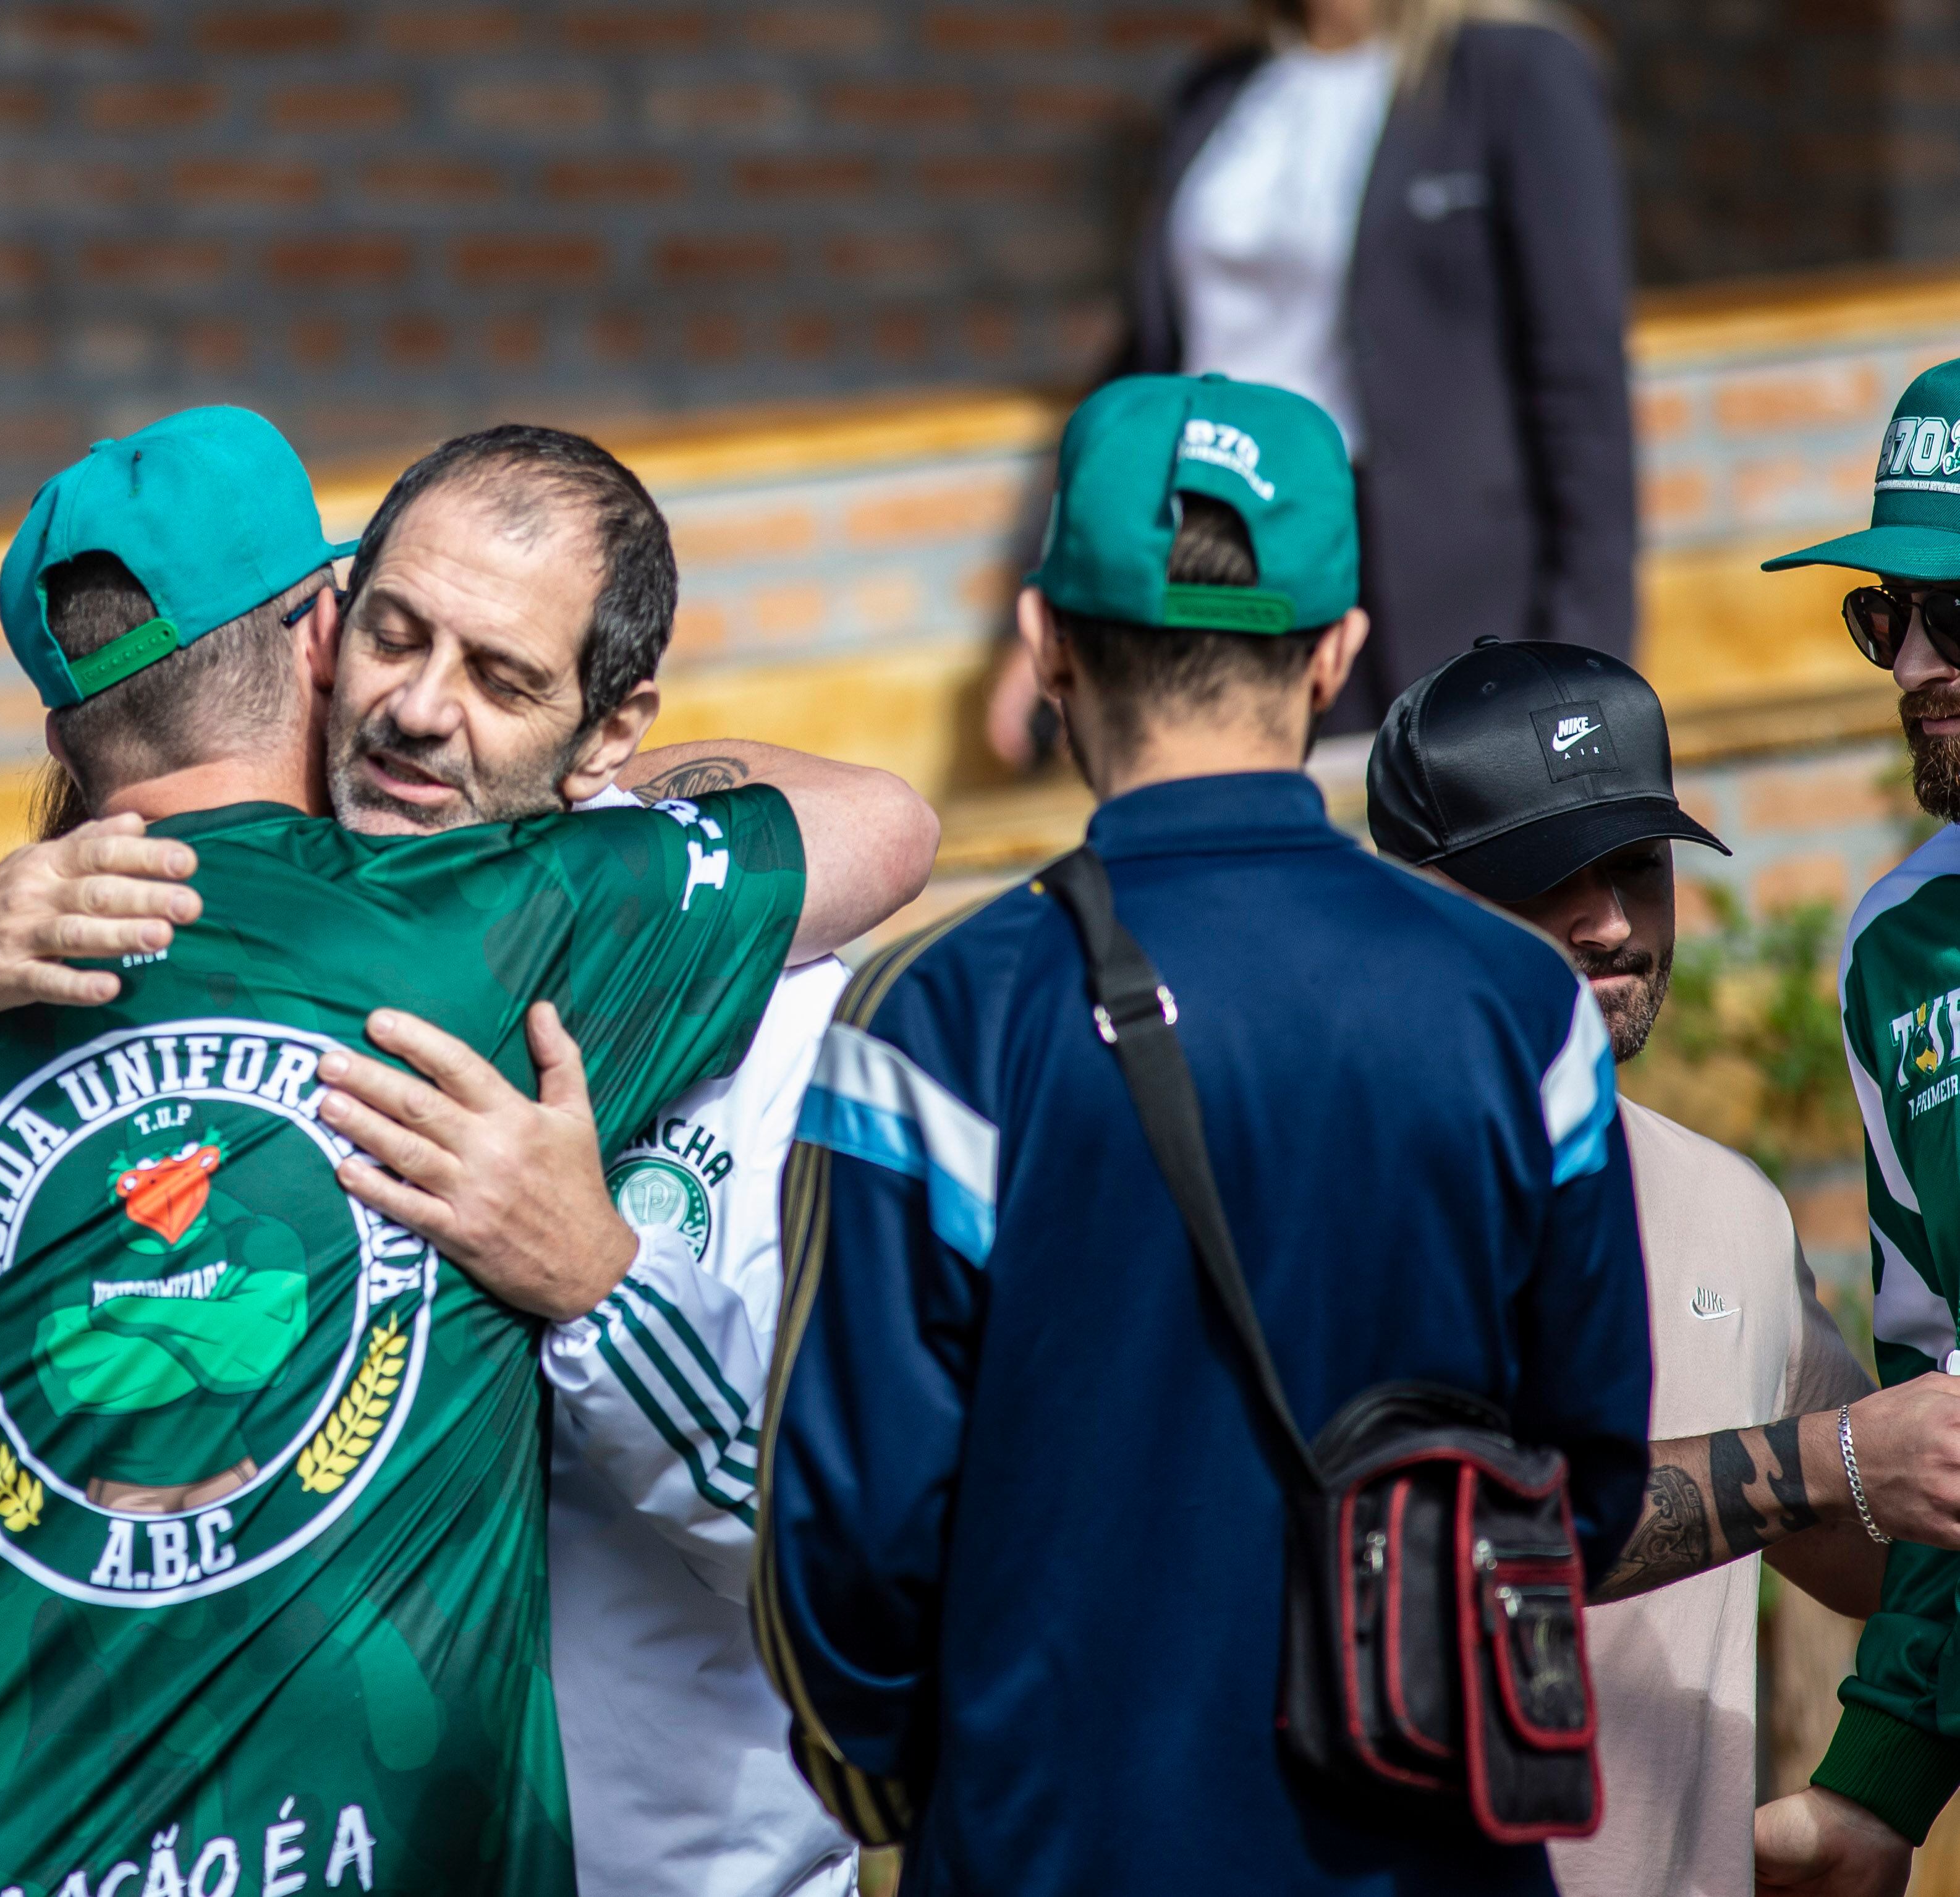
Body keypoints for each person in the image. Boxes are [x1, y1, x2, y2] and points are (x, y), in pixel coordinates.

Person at [0, 412, 927, 1896]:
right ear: (320, 632)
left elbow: (852, 1539)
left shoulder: (730, 996)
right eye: (396, 638)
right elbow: (883, 822)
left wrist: (598, 1276)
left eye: (499, 679)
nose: (420, 711)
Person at [756, 372, 1652, 1896]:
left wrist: (978, 1772)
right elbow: (1590, 1472)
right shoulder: (1519, 1005)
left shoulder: (938, 1024)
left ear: (1041, 643)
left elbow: (844, 1547)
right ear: (1336, 655)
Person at [1361, 638, 1960, 1895]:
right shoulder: (1327, 1204)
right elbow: (1444, 1553)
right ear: (1404, 904)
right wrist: (1842, 1458)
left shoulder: (1727, 1209)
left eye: (1637, 865)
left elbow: (1889, 1549)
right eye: (1546, 883)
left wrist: (1868, 1788)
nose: (1615, 923)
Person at [985, 0, 1631, 767]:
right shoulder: (1219, 89)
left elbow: (1579, 381)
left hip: (1428, 578)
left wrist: (1588, 666)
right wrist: (1053, 599)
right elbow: (1140, 371)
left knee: (1446, 865)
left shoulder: (1514, 71)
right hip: (1209, 560)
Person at [1750, 357, 1960, 1896]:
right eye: (1880, 618)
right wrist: (1869, 1794)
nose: (1905, 665)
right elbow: (1938, 1409)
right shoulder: (1892, 948)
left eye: (1953, 613)